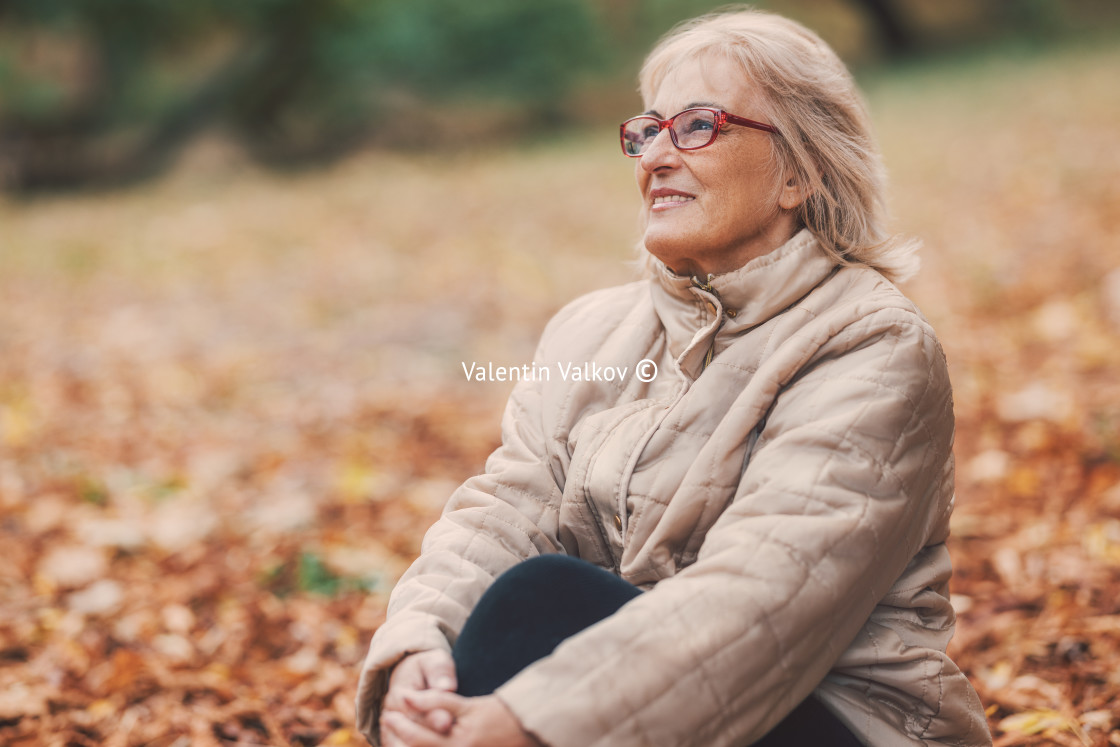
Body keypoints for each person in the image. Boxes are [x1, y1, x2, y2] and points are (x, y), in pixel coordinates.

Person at [356, 7, 992, 746]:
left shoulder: (872, 346)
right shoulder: (589, 331)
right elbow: (506, 512)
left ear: (798, 171)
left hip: (838, 721)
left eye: (696, 125)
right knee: (524, 601)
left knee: (541, 599)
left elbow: (763, 598)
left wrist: (529, 720)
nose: (656, 154)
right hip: (628, 712)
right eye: (645, 131)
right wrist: (421, 644)